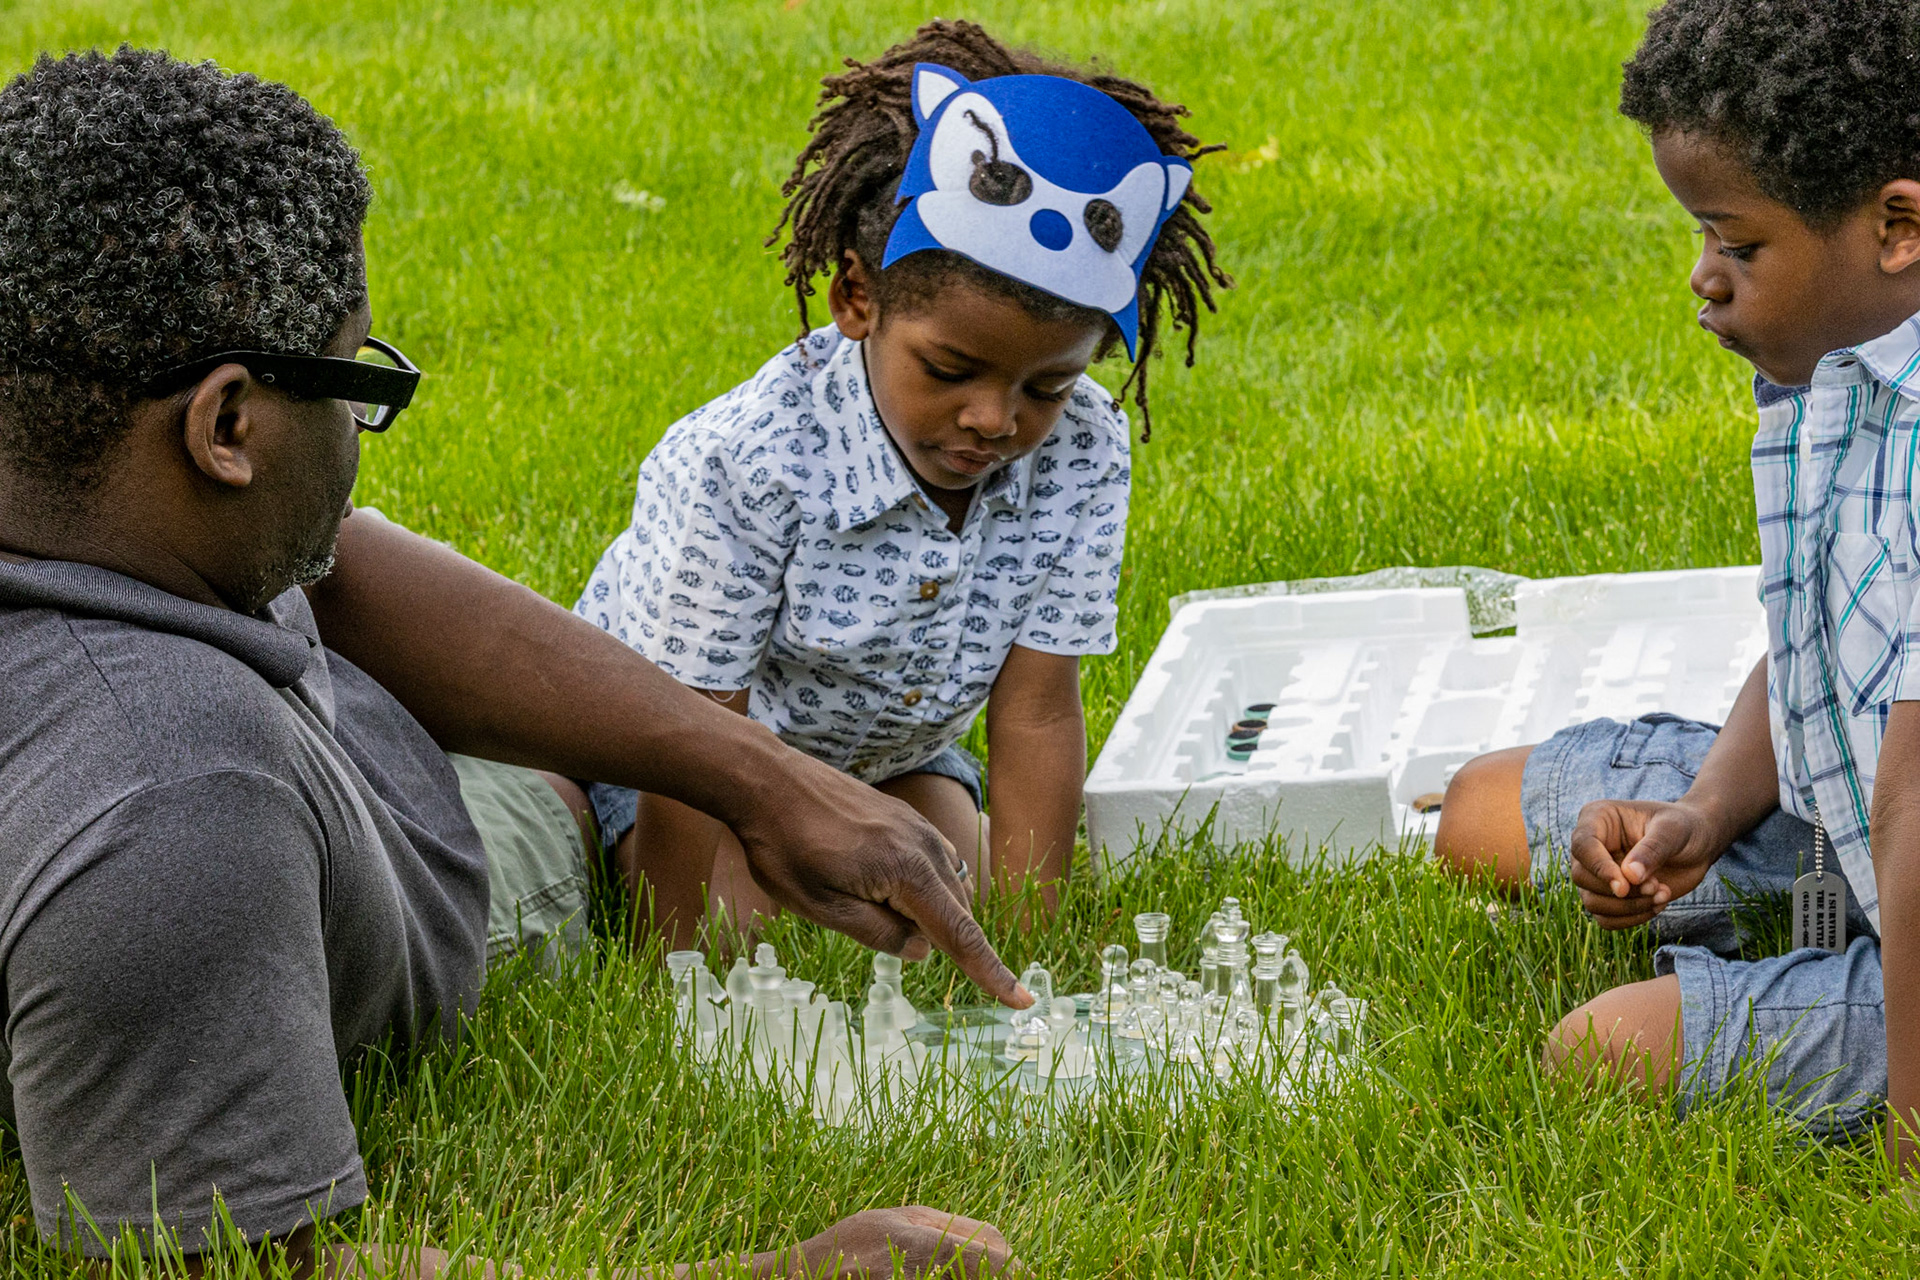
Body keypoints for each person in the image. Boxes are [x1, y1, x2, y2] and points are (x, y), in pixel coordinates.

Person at [0, 46, 1023, 1273]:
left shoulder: (82, 487)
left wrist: (762, 777)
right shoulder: (173, 806)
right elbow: (247, 1259)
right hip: (453, 855)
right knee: (541, 806)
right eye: (356, 378)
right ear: (227, 425)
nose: (360, 430)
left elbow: (341, 565)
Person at [575, 20, 1231, 939]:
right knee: (741, 937)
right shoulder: (747, 458)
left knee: (950, 918)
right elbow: (694, 731)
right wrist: (671, 972)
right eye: (951, 370)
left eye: (1047, 384)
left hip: (892, 761)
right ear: (858, 299)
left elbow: (1038, 711)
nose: (996, 421)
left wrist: (1031, 958)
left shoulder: (1084, 448)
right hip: (690, 765)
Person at [1433, 0, 1920, 1171]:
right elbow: (1818, 634)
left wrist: (1912, 1125)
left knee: (1602, 1051)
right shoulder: (1825, 368)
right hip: (1844, 813)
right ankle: (1796, 907)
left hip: (1906, 842)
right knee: (1478, 815)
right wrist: (1705, 811)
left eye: (1736, 245)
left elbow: (1914, 810)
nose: (1702, 279)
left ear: (1897, 224)